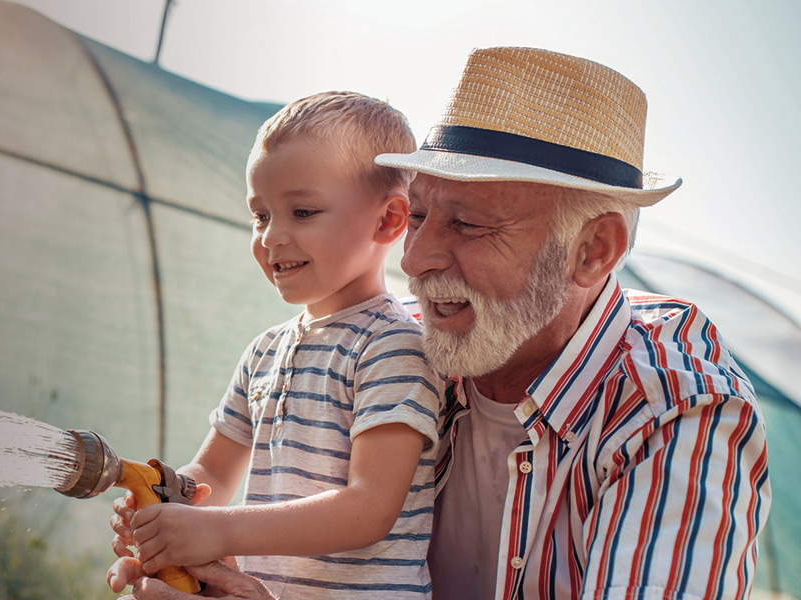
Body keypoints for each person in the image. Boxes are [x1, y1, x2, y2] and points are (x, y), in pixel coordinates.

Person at [110, 46, 771, 600]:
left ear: (592, 251)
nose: (415, 258)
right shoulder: (424, 351)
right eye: (420, 214)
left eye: (469, 224)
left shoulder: (673, 415)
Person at [110, 91, 444, 600]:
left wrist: (217, 530)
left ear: (388, 221)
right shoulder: (265, 351)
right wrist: (165, 508)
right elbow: (213, 475)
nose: (271, 238)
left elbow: (369, 508)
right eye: (260, 216)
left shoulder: (393, 347)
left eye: (303, 212)